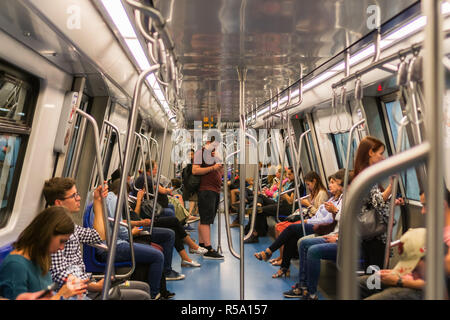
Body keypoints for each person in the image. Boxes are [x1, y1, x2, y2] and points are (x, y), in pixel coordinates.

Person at [43, 177, 151, 300]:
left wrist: (97, 202)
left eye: (77, 194)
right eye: (73, 196)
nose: (79, 198)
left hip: (86, 283)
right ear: (59, 203)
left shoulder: (70, 226)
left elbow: (98, 236)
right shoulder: (53, 231)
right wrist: (93, 286)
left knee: (144, 288)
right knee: (142, 296)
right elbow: (59, 274)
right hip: (78, 292)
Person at [254, 169, 344, 279]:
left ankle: (269, 252)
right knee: (292, 236)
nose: (329, 185)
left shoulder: (333, 199)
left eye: (333, 182)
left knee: (291, 228)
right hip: (314, 222)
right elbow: (319, 216)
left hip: (320, 227)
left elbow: (326, 220)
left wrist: (308, 219)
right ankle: (283, 267)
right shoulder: (332, 199)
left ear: (341, 185)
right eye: (330, 182)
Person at [0, 207, 87, 300]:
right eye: (61, 241)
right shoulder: (16, 266)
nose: (62, 248)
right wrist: (61, 296)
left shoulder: (41, 258)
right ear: (47, 234)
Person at [270, 171, 329, 266]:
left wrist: (308, 205)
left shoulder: (322, 194)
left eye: (309, 184)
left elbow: (319, 213)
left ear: (314, 181)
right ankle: (281, 257)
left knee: (282, 228)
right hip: (309, 217)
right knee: (277, 226)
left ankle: (281, 258)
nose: (308, 187)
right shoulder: (315, 193)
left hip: (313, 221)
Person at [245, 167, 303, 243]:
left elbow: (290, 201)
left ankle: (254, 233)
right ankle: (260, 229)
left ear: (295, 174)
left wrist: (281, 189)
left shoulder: (297, 185)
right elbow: (282, 197)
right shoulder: (290, 182)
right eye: (287, 174)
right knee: (260, 198)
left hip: (286, 208)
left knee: (258, 210)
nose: (288, 176)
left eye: (290, 174)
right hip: (280, 203)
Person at [192, 138, 224, 259]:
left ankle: (202, 244)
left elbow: (220, 171)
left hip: (214, 190)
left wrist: (219, 163)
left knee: (204, 218)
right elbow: (195, 170)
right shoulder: (200, 153)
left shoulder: (213, 155)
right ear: (208, 143)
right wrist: (213, 167)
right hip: (206, 190)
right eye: (214, 144)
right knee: (206, 220)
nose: (216, 147)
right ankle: (209, 248)